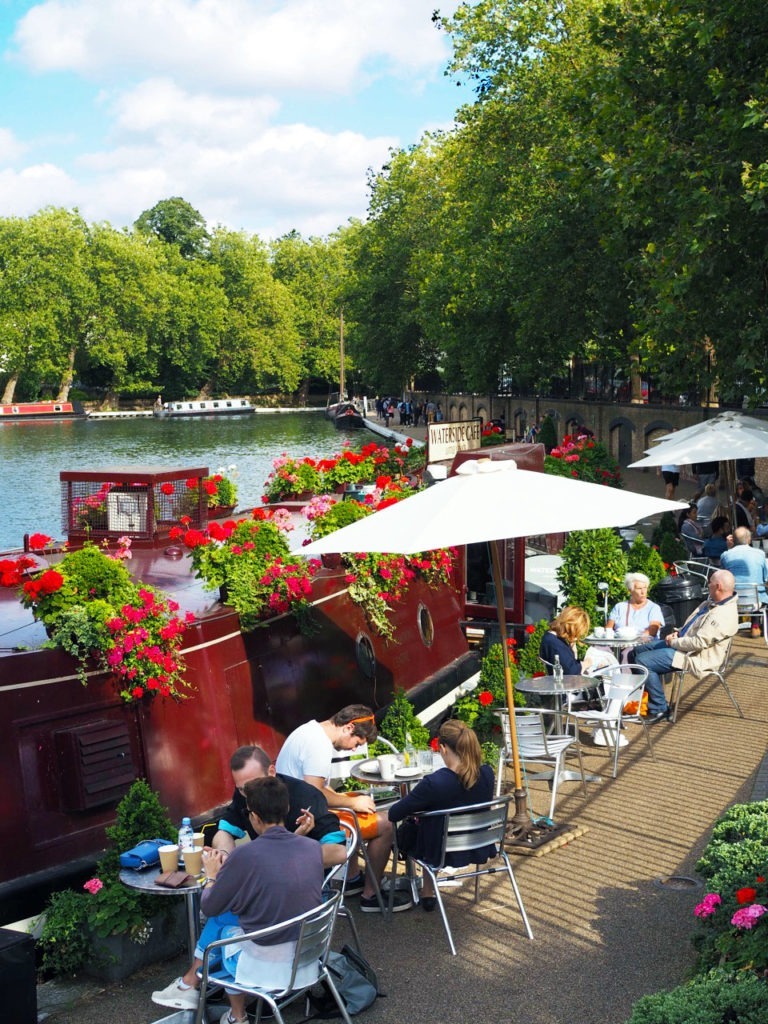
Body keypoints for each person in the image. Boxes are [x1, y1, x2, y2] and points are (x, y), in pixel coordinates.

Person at [152, 777, 338, 1023]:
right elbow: (283, 863)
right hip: (308, 960)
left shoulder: (244, 855)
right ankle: (194, 988)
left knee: (223, 934)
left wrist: (212, 876)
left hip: (270, 969)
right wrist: (299, 834)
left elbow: (208, 906)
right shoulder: (312, 847)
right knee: (228, 919)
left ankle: (234, 1015)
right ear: (286, 809)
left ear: (255, 817)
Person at [275, 704, 411, 912]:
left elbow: (315, 786)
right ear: (348, 728)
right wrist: (352, 803)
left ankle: (353, 878)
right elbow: (316, 792)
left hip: (293, 810)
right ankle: (371, 895)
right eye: (357, 742)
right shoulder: (318, 745)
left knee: (358, 800)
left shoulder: (309, 730)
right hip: (308, 821)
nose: (355, 748)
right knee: (386, 823)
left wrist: (349, 799)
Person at [388, 719, 494, 912]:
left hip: (439, 850)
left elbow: (394, 814)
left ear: (443, 748)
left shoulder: (436, 782)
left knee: (419, 828)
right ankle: (428, 892)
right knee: (434, 825)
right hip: (478, 844)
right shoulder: (487, 773)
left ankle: (422, 892)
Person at [210, 745, 346, 867]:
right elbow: (225, 830)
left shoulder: (306, 796)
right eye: (242, 789)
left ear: (271, 772)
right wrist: (223, 855)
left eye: (255, 783)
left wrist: (285, 861)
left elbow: (338, 851)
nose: (249, 794)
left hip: (305, 882)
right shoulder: (245, 793)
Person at [634, 569, 739, 723]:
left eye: (710, 582)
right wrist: (676, 633)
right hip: (682, 644)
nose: (707, 584)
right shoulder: (709, 603)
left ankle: (660, 709)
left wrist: (673, 641)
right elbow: (691, 627)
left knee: (642, 661)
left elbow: (698, 643)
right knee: (638, 649)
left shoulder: (723, 614)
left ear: (718, 586)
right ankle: (640, 700)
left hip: (695, 656)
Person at [539, 606, 596, 675]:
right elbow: (572, 671)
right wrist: (587, 663)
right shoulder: (555, 644)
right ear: (572, 628)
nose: (577, 636)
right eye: (577, 632)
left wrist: (573, 648)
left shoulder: (553, 637)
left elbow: (569, 662)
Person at [720, 526, 768, 606]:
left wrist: (729, 548)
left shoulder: (726, 555)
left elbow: (725, 575)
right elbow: (765, 578)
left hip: (733, 601)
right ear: (749, 539)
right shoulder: (760, 554)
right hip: (757, 600)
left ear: (733, 540)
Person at [607, 572, 663, 639]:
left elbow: (653, 630)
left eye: (645, 588)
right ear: (630, 590)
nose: (643, 592)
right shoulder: (619, 607)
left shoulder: (653, 608)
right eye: (639, 588)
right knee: (596, 649)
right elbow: (608, 629)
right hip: (618, 643)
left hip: (642, 645)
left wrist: (636, 641)